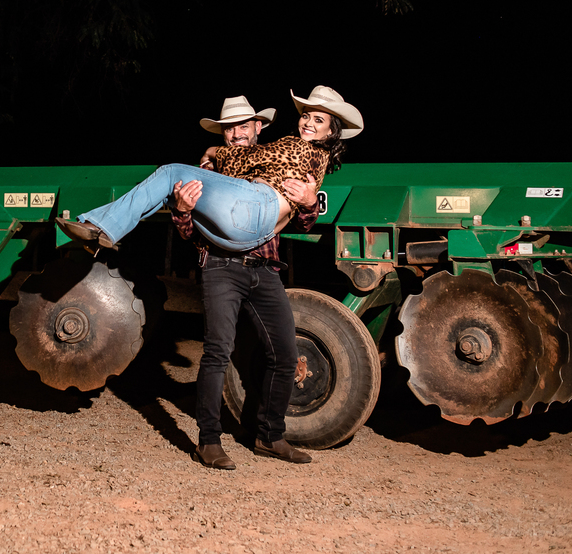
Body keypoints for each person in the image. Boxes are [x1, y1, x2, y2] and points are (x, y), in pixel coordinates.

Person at [58, 86, 363, 468]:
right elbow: (191, 233)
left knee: (285, 354)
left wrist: (307, 202)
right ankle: (209, 441)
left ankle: (271, 437)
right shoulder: (217, 173)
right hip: (221, 266)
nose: (234, 134)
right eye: (227, 131)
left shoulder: (281, 153)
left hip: (263, 266)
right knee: (217, 352)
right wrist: (182, 210)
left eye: (241, 127)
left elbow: (299, 215)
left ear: (256, 127)